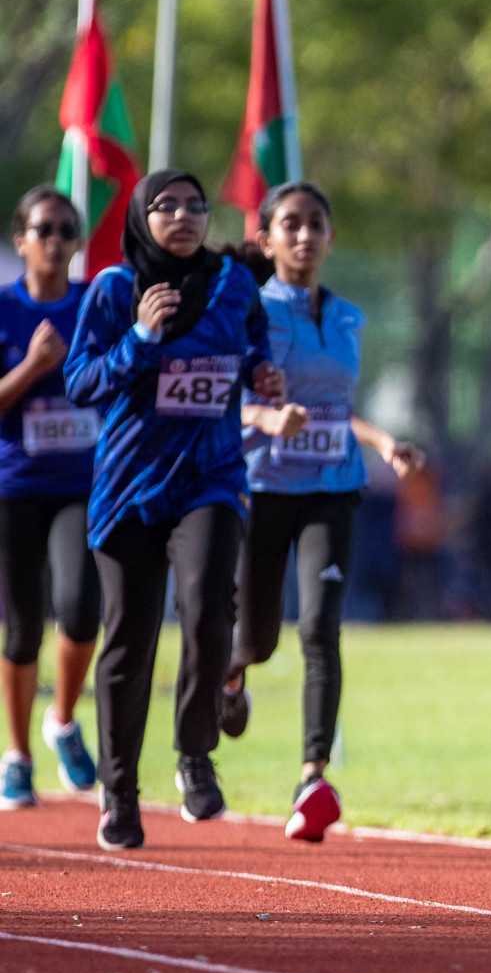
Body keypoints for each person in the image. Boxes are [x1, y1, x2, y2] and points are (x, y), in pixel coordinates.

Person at [65, 169, 285, 850]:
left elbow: (254, 348)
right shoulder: (112, 289)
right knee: (129, 639)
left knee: (208, 607)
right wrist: (139, 338)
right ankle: (118, 792)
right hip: (128, 489)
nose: (185, 217)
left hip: (211, 480)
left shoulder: (234, 283)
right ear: (142, 216)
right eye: (168, 206)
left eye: (197, 206)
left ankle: (194, 754)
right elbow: (80, 382)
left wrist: (261, 375)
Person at [219, 181, 423, 843]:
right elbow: (223, 403)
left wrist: (383, 441)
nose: (305, 235)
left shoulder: (348, 319)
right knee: (259, 638)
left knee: (319, 627)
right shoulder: (247, 314)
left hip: (333, 488)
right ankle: (231, 671)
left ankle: (313, 775)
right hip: (265, 487)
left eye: (316, 224)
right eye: (291, 224)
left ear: (331, 238)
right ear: (267, 238)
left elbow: (334, 410)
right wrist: (267, 418)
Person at [0, 188, 102, 808]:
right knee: (21, 629)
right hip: (15, 486)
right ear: (22, 241)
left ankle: (62, 720)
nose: (58, 239)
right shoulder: (4, 309)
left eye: (68, 229)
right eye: (45, 229)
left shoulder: (95, 304)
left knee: (81, 606)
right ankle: (17, 756)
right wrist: (34, 366)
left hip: (81, 485)